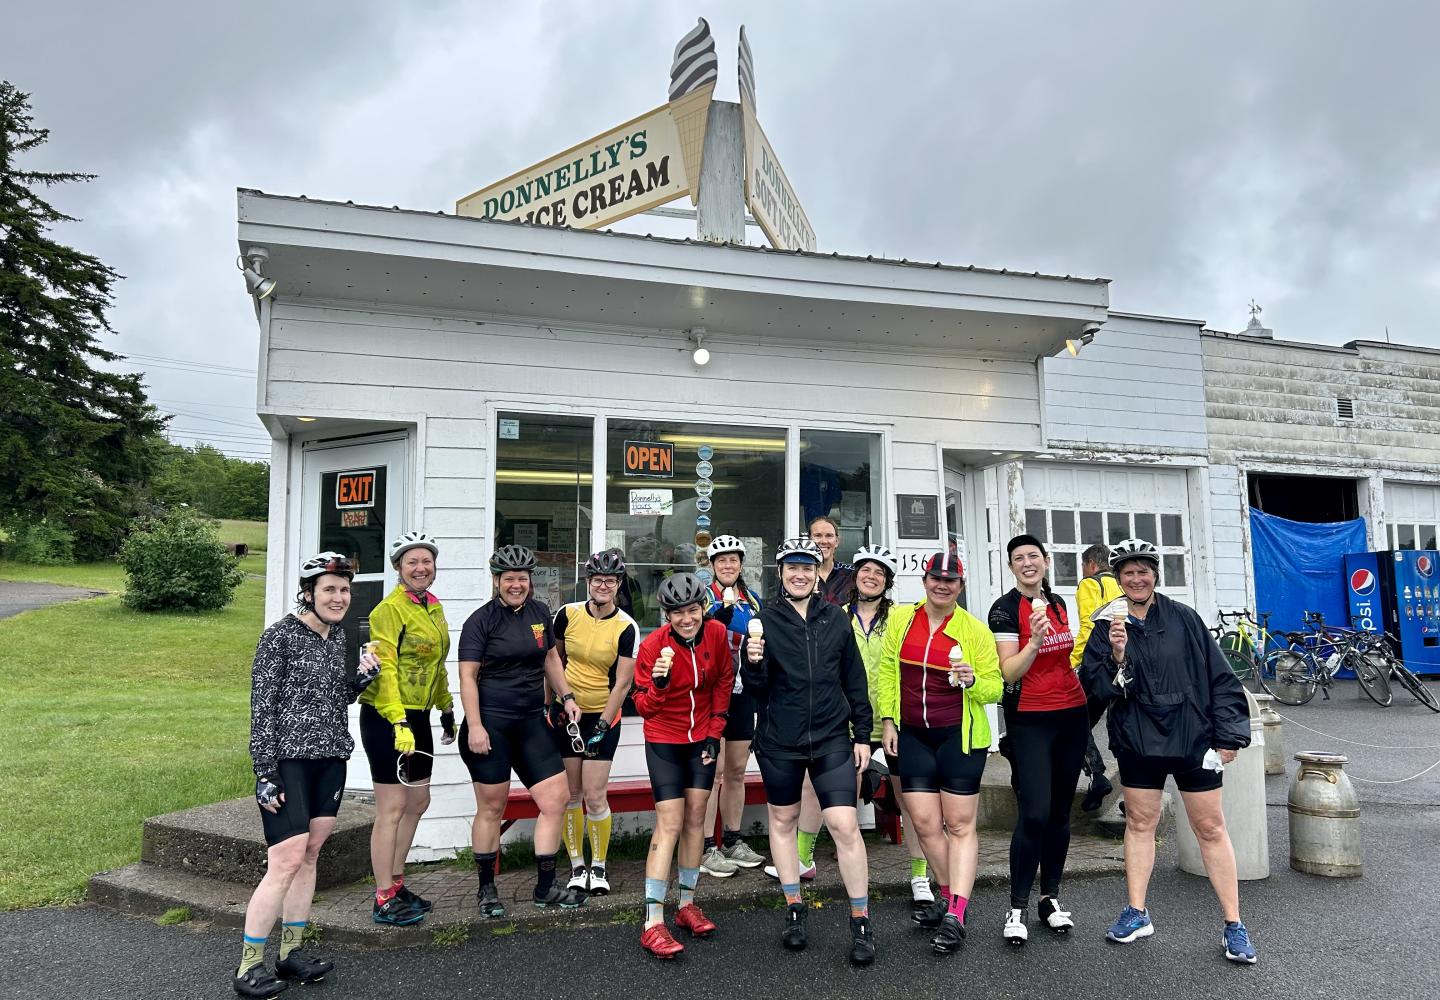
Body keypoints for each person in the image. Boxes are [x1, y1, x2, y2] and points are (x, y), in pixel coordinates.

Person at [1080, 538, 1257, 964]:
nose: (1136, 578)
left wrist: (1229, 735)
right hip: (1139, 740)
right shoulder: (1107, 626)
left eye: (1143, 570)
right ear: (1117, 578)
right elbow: (1091, 690)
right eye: (1127, 572)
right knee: (1140, 823)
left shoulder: (1184, 619)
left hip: (1193, 739)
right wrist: (1118, 657)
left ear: (1155, 574)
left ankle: (1234, 924)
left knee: (1211, 828)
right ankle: (1136, 911)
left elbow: (1220, 677)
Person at [235, 553, 378, 998]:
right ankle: (248, 966)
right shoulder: (278, 636)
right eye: (329, 589)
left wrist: (361, 678)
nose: (339, 597)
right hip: (288, 763)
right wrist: (265, 772)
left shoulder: (338, 637)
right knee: (285, 859)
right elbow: (262, 709)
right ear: (309, 593)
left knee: (311, 854)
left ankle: (290, 953)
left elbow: (336, 697)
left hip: (331, 758)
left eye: (344, 590)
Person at [744, 537, 876, 965]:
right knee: (782, 821)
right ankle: (794, 908)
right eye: (791, 567)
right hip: (780, 740)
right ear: (780, 573)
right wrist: (753, 663)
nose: (799, 573)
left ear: (817, 572)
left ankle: (860, 919)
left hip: (832, 737)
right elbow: (758, 690)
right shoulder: (765, 619)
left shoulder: (836, 619)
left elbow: (854, 679)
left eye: (807, 566)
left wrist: (863, 735)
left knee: (844, 824)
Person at [876, 551, 1003, 955]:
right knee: (926, 824)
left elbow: (995, 688)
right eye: (936, 578)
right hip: (913, 736)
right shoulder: (900, 619)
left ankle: (957, 913)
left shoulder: (974, 630)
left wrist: (972, 680)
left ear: (960, 586)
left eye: (951, 580)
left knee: (960, 826)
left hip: (959, 739)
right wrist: (889, 721)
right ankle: (950, 899)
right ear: (925, 580)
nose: (942, 585)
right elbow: (886, 672)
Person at [457, 544, 585, 918]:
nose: (517, 585)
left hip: (530, 721)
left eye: (523, 578)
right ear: (497, 580)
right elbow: (467, 677)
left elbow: (550, 658)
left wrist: (567, 695)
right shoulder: (480, 621)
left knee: (556, 799)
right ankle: (486, 889)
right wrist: (476, 726)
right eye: (509, 578)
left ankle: (545, 888)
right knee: (492, 808)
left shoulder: (539, 612)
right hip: (491, 724)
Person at [989, 534, 1088, 945]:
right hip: (1030, 719)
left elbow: (1067, 658)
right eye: (1019, 558)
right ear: (1012, 567)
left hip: (1072, 715)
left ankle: (1050, 899)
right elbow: (1009, 672)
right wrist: (1033, 640)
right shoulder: (1004, 609)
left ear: (1046, 561)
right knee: (1034, 813)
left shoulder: (1060, 602)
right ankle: (1017, 908)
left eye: (1033, 556)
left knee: (1061, 814)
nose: (1027, 563)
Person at [632, 573, 734, 958]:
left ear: (703, 609)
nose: (687, 618)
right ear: (667, 614)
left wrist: (715, 730)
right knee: (670, 821)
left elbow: (724, 680)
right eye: (678, 613)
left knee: (696, 819)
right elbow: (642, 706)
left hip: (701, 740)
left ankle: (687, 905)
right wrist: (659, 684)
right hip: (664, 741)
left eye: (693, 610)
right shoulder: (652, 646)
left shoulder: (716, 634)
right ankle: (652, 922)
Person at [359, 531, 452, 928]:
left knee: (418, 801)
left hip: (419, 714)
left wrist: (446, 706)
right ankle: (382, 897)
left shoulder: (433, 606)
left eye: (426, 561)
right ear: (399, 568)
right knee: (392, 808)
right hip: (386, 716)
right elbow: (386, 669)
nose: (421, 568)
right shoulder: (388, 610)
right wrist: (397, 720)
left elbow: (436, 664)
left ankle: (396, 883)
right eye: (412, 562)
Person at [846, 543, 935, 910]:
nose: (872, 577)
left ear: (888, 581)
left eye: (879, 572)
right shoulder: (837, 616)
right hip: (851, 721)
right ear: (855, 577)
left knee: (910, 800)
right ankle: (814, 863)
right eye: (866, 570)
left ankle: (919, 875)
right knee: (841, 798)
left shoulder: (901, 617)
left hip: (896, 720)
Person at [554, 549, 639, 896]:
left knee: (595, 794)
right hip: (568, 715)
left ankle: (599, 866)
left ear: (618, 585)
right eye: (597, 579)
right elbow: (555, 660)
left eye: (610, 580)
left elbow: (622, 684)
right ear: (588, 582)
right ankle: (577, 866)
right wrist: (555, 703)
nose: (603, 585)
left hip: (604, 716)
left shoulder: (626, 627)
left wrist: (603, 724)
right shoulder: (567, 614)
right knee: (571, 794)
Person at [698, 534, 767, 877]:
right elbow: (696, 634)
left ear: (741, 564)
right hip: (711, 693)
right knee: (715, 772)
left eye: (734, 560)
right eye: (721, 560)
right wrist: (720, 615)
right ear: (712, 565)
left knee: (737, 771)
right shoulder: (703, 597)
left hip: (743, 692)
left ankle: (733, 840)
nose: (728, 565)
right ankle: (706, 846)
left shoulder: (752, 600)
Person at [1073, 543, 1121, 811]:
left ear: (1091, 563)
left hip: (1095, 666)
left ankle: (1097, 776)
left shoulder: (1090, 584)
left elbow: (1088, 627)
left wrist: (1071, 662)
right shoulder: (1120, 583)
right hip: (1118, 663)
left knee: (1075, 722)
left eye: (1082, 565)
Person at [809, 515, 855, 606]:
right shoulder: (800, 577)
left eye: (829, 536)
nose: (824, 541)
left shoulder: (852, 575)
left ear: (837, 541)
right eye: (817, 536)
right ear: (809, 540)